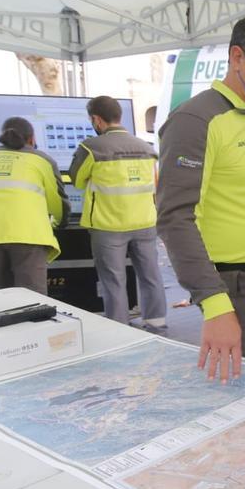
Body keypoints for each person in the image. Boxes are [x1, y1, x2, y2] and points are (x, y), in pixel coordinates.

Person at [157, 13, 245, 381]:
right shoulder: (197, 119)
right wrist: (215, 303)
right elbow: (175, 216)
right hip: (240, 286)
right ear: (237, 57)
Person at [70, 96, 167, 331]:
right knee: (151, 276)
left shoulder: (91, 148)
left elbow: (77, 179)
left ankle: (119, 328)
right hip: (145, 222)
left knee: (113, 280)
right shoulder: (147, 149)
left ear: (96, 120)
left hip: (108, 225)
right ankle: (156, 322)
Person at [0, 117, 68, 294]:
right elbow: (57, 202)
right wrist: (60, 223)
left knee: (0, 293)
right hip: (27, 234)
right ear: (32, 139)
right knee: (33, 298)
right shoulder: (41, 160)